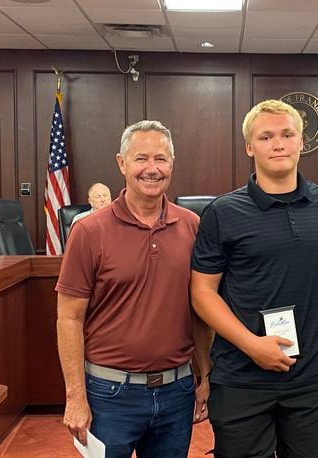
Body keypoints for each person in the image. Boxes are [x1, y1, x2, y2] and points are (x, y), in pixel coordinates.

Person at [190, 99, 318, 458]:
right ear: (249, 147)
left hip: (312, 378)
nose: (278, 144)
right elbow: (202, 293)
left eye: (287, 134)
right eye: (266, 136)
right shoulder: (223, 212)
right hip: (242, 376)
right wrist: (252, 345)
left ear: (301, 142)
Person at [56, 120, 212, 458]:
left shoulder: (192, 226)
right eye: (141, 159)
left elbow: (200, 311)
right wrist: (75, 396)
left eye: (161, 159)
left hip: (177, 391)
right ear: (121, 163)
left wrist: (205, 375)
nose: (152, 169)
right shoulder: (88, 231)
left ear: (172, 163)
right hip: (109, 395)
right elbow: (68, 318)